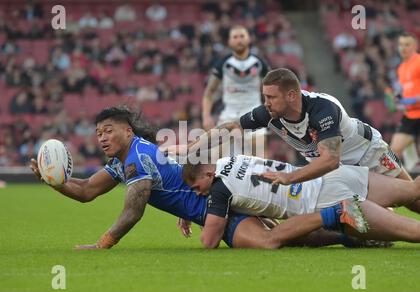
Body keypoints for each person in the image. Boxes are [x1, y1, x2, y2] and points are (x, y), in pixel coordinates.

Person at [29, 106, 374, 250]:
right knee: (293, 241)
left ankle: (337, 214)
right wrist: (54, 181)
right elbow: (88, 190)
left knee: (271, 242)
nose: (101, 137)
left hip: (220, 209)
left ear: (128, 131)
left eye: (108, 130)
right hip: (216, 203)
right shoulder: (124, 163)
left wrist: (102, 243)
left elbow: (134, 211)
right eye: (98, 133)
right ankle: (350, 236)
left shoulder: (138, 158)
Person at [176, 67, 420, 213]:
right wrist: (196, 146)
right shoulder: (268, 114)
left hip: (368, 154)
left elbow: (330, 160)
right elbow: (231, 127)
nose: (266, 103)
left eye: (271, 97)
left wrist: (289, 177)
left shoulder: (323, 109)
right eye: (265, 96)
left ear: (292, 95)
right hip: (339, 171)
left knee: (411, 198)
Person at [182, 154, 420, 248]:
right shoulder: (229, 158)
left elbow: (210, 241)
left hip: (325, 199)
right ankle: (363, 235)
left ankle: (357, 232)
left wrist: (197, 212)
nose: (199, 194)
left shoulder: (220, 188)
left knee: (413, 231)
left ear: (208, 175)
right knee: (414, 188)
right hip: (331, 175)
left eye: (197, 188)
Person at [202, 25, 270, 156]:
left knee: (260, 156)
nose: (239, 40)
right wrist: (206, 116)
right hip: (229, 113)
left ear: (249, 39)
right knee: (217, 157)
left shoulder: (260, 63)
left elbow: (274, 88)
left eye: (242, 36)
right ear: (229, 41)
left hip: (253, 112)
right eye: (235, 37)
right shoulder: (223, 63)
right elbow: (209, 92)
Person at [390, 33, 420, 169]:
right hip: (410, 115)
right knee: (394, 150)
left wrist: (415, 99)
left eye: (407, 44)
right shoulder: (401, 68)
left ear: (415, 46)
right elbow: (404, 90)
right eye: (401, 45)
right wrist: (398, 99)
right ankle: (405, 186)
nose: (403, 48)